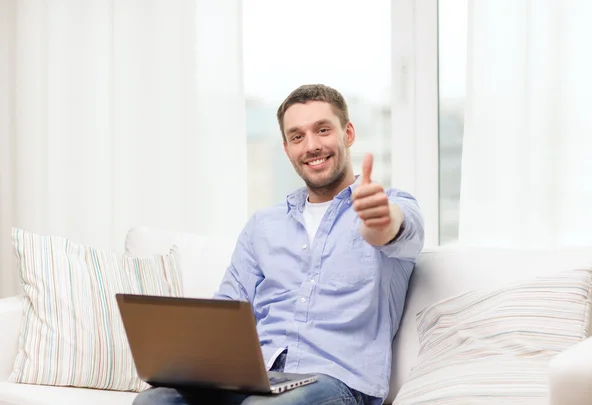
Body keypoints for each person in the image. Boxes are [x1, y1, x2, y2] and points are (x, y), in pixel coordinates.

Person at [133, 84, 425, 405]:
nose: (311, 145)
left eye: (323, 130)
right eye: (297, 136)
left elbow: (395, 230)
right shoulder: (264, 225)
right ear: (287, 149)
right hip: (258, 376)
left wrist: (380, 222)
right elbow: (228, 310)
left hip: (337, 382)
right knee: (154, 401)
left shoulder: (389, 203)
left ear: (349, 133)